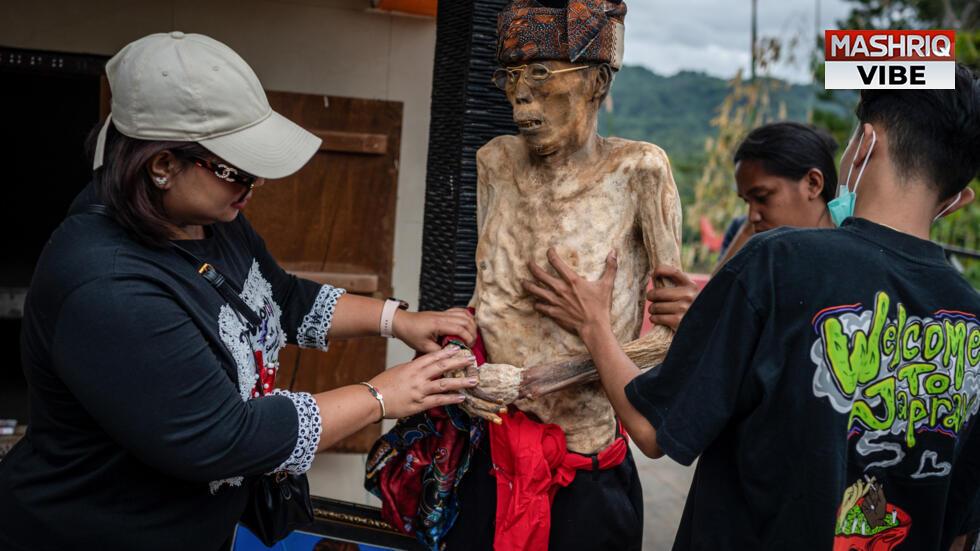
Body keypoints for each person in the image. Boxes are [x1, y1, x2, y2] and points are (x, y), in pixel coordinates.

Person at [0, 32, 479, 551]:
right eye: (237, 171)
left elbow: (279, 297)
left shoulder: (206, 217)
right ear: (161, 166)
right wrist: (380, 396)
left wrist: (396, 320)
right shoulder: (109, 287)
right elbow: (227, 438)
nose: (254, 186)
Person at [526, 63, 980, 549]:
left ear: (863, 146)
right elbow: (960, 533)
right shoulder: (972, 316)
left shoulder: (778, 263)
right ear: (957, 198)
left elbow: (652, 427)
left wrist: (593, 322)